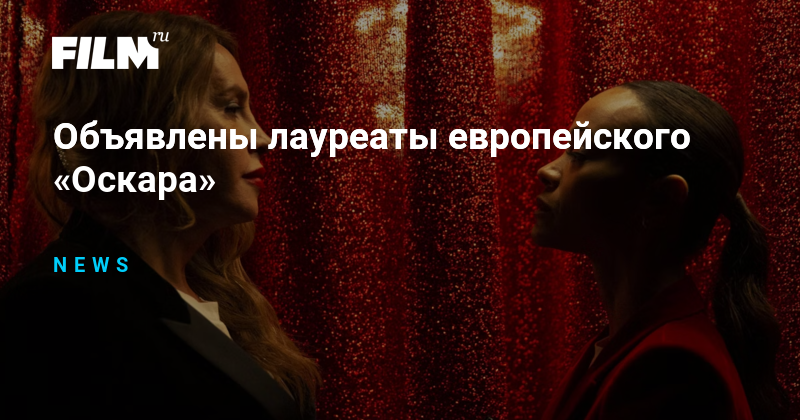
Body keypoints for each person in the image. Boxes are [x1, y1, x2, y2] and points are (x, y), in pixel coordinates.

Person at [0, 11, 320, 419]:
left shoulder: (220, 298)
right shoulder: (56, 306)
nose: (261, 137)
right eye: (230, 108)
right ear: (142, 125)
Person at [534, 81, 789, 420]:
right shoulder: (625, 343)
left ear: (661, 199)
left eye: (580, 154)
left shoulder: (672, 366)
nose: (547, 170)